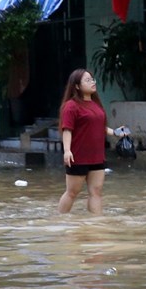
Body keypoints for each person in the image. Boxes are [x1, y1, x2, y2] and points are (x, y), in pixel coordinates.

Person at [57, 68, 129, 214]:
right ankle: (60, 221)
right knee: (72, 192)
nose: (92, 83)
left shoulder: (96, 105)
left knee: (96, 192)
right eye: (87, 80)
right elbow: (67, 129)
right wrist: (67, 151)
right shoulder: (71, 106)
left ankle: (96, 225)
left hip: (97, 156)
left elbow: (101, 127)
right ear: (77, 86)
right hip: (78, 157)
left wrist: (115, 132)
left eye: (92, 79)